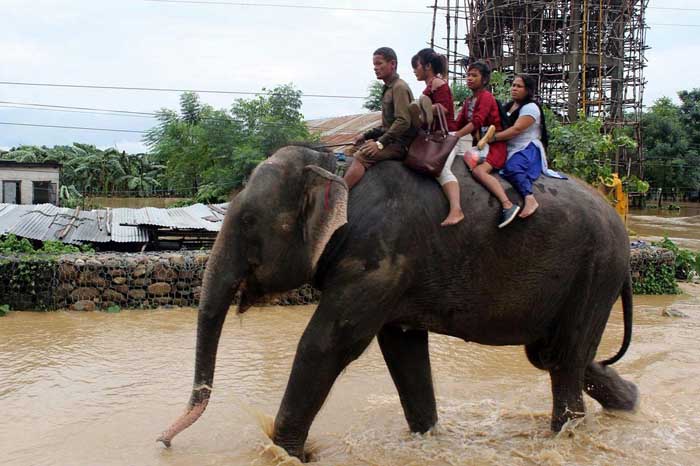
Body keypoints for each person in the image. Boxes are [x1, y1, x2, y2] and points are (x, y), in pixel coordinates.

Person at [486, 74, 565, 219]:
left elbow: (516, 130)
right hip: (509, 147)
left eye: (519, 86)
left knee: (513, 168)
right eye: (513, 85)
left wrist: (494, 138)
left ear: (528, 90)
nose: (514, 88)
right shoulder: (509, 106)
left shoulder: (531, 108)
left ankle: (529, 198)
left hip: (527, 147)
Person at [452, 61, 520, 228]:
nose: (469, 78)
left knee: (478, 171)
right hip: (480, 147)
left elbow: (477, 122)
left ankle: (507, 204)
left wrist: (455, 135)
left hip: (494, 147)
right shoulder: (468, 101)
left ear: (484, 80)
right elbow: (457, 124)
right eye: (468, 75)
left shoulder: (486, 97)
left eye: (474, 75)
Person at [409, 48, 468, 226]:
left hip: (446, 135)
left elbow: (444, 109)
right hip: (433, 135)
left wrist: (424, 109)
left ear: (427, 66)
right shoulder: (430, 86)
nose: (414, 70)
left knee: (441, 169)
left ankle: (456, 209)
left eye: (416, 66)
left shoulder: (437, 83)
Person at [344, 47, 416, 190]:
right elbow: (387, 126)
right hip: (391, 140)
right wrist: (364, 135)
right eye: (374, 65)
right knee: (350, 151)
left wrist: (379, 144)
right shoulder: (388, 88)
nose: (375, 68)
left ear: (392, 64)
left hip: (401, 144)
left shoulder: (399, 87)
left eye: (379, 63)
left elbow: (403, 121)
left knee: (362, 155)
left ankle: (339, 195)